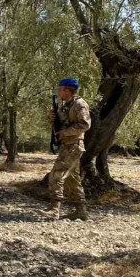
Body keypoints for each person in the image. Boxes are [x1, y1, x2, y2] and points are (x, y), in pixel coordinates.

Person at [41, 78, 91, 220]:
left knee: (56, 174)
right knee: (72, 180)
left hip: (73, 145)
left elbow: (85, 124)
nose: (59, 92)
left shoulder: (79, 104)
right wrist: (52, 119)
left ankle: (54, 209)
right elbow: (62, 124)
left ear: (67, 90)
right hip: (68, 145)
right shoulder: (66, 106)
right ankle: (80, 211)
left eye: (61, 89)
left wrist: (66, 132)